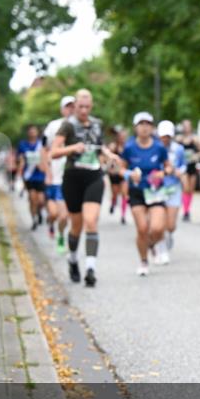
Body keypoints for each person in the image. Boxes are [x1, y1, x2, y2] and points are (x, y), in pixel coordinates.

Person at [50, 89, 121, 287]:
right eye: (80, 107)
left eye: (87, 107)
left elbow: (99, 147)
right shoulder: (68, 125)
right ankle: (73, 259)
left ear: (91, 106)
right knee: (76, 226)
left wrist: (110, 155)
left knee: (91, 221)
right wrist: (72, 148)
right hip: (73, 178)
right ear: (74, 106)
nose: (83, 110)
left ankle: (91, 268)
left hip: (93, 176)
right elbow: (53, 152)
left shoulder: (97, 124)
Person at [120, 113, 173, 275]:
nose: (144, 127)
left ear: (152, 127)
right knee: (142, 228)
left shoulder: (159, 147)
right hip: (137, 192)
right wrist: (129, 175)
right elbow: (121, 169)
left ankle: (151, 245)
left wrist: (163, 173)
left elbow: (168, 167)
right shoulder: (129, 148)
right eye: (141, 124)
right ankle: (143, 261)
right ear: (135, 127)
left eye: (147, 124)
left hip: (155, 192)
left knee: (157, 228)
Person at [42, 95, 74, 252]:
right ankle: (51, 224)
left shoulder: (80, 127)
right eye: (68, 106)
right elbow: (44, 149)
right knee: (54, 214)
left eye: (73, 106)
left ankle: (61, 235)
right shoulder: (53, 126)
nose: (71, 109)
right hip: (54, 178)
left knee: (64, 216)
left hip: (70, 179)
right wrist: (47, 172)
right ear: (62, 109)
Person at [155, 120, 185, 261]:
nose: (165, 138)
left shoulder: (178, 149)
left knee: (171, 225)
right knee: (159, 222)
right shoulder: (154, 148)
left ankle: (169, 234)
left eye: (167, 136)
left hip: (174, 187)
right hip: (158, 188)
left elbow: (183, 165)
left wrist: (179, 171)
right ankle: (161, 248)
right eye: (163, 136)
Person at [17, 125, 47, 230]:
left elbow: (47, 158)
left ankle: (39, 212)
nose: (33, 133)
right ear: (28, 133)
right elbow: (21, 159)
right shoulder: (23, 145)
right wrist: (20, 172)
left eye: (35, 131)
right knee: (32, 198)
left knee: (41, 200)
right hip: (29, 176)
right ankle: (33, 218)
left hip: (41, 175)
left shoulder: (42, 144)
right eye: (31, 131)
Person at [176, 119, 200, 222]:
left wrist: (197, 156)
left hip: (192, 165)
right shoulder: (178, 139)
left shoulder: (195, 139)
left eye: (188, 125)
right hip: (183, 167)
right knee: (185, 188)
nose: (186, 127)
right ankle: (185, 211)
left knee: (190, 189)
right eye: (184, 126)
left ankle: (188, 211)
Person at [106, 126, 128, 224]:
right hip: (114, 173)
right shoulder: (112, 146)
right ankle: (113, 202)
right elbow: (108, 160)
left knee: (124, 194)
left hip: (124, 174)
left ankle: (123, 215)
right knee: (115, 193)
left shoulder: (127, 147)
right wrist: (110, 169)